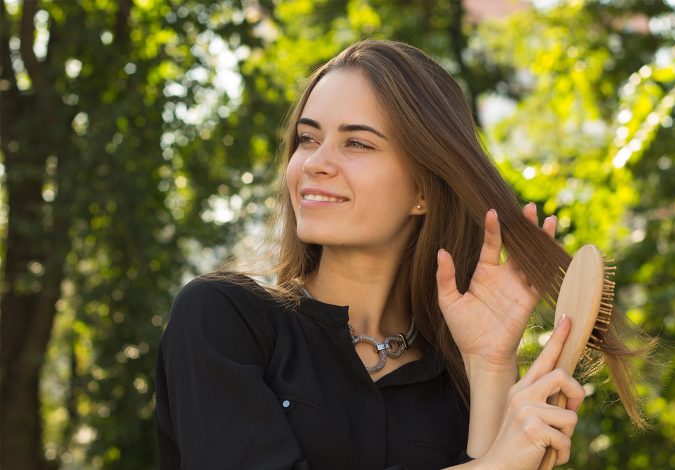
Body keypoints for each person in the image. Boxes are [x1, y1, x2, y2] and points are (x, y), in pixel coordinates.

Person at [154, 39, 645, 469]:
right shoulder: (222, 318)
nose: (316, 163)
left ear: (423, 192)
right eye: (308, 138)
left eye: (357, 144)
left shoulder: (452, 378)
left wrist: (490, 364)